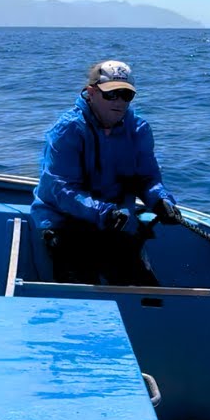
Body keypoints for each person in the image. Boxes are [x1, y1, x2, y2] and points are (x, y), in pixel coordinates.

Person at [30, 60, 180, 285]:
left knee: (146, 293)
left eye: (125, 95)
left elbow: (147, 177)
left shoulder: (138, 129)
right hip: (66, 224)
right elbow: (62, 190)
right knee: (82, 295)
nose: (119, 102)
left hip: (115, 222)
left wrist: (161, 201)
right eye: (111, 94)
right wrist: (106, 213)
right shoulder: (67, 130)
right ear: (91, 93)